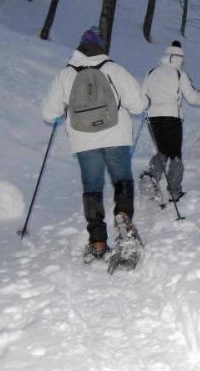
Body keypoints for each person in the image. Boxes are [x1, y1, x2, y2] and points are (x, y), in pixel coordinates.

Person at [41, 27, 147, 264]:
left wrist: (61, 113)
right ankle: (123, 218)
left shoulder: (66, 74)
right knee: (121, 179)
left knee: (92, 187)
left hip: (84, 139)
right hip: (116, 135)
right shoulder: (113, 69)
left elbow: (48, 113)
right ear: (100, 46)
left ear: (79, 48)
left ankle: (97, 242)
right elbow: (139, 105)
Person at [140, 41, 200, 205]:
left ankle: (151, 177)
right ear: (179, 58)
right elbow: (192, 97)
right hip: (172, 118)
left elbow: (142, 95)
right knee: (175, 154)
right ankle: (174, 190)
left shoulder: (152, 72)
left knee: (162, 151)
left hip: (153, 118)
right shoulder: (179, 74)